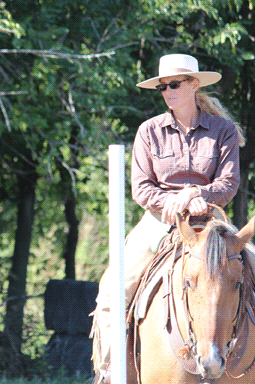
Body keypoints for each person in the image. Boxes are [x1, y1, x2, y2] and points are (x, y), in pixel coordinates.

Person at [91, 53, 247, 383]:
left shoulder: (224, 131)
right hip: (158, 222)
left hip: (212, 222)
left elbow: (229, 183)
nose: (168, 91)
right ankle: (109, 373)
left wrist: (197, 195)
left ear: (193, 85)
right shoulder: (149, 132)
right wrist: (175, 201)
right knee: (111, 294)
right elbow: (141, 188)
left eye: (174, 84)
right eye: (163, 86)